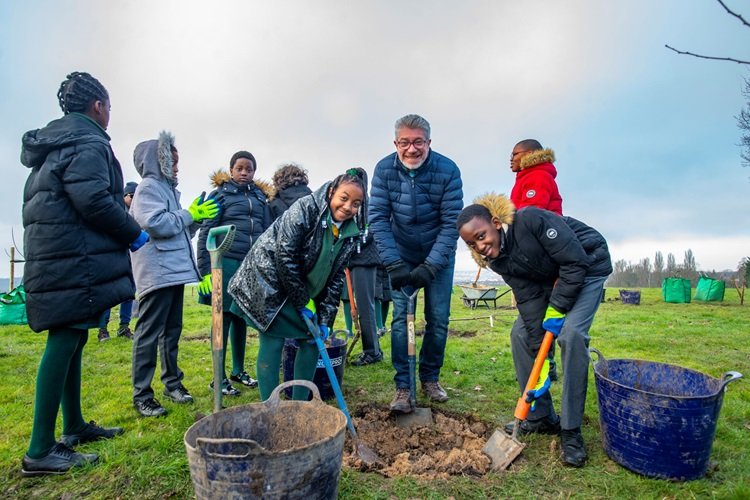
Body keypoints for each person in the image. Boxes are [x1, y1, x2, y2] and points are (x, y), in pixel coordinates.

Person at [20, 71, 147, 476]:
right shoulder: (88, 142)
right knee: (63, 341)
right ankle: (39, 449)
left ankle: (72, 425)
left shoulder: (57, 143)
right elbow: (92, 199)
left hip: (59, 252)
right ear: (98, 106)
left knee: (73, 337)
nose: (110, 113)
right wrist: (133, 232)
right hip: (71, 255)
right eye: (109, 106)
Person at [456, 194, 612, 467]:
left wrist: (558, 307)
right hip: (552, 279)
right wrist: (542, 358)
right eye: (472, 244)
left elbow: (574, 263)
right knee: (520, 335)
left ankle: (571, 430)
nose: (480, 246)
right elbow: (528, 299)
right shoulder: (498, 260)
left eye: (481, 236)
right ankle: (540, 416)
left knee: (571, 334)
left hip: (587, 265)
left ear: (495, 222)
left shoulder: (530, 220)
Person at [228, 168, 368, 401]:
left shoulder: (352, 232)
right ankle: (269, 406)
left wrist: (324, 318)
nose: (347, 207)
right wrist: (303, 302)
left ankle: (300, 405)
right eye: (344, 198)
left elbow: (335, 279)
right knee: (272, 340)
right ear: (332, 192)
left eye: (356, 203)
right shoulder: (305, 209)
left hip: (304, 291)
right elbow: (285, 256)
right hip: (271, 284)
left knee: (312, 342)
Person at [369, 114, 463, 412]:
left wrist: (432, 266)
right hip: (402, 254)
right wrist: (394, 264)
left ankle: (430, 378)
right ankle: (403, 386)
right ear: (395, 143)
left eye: (418, 142)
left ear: (429, 142)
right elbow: (378, 219)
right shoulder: (384, 170)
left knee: (438, 320)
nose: (412, 150)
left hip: (440, 256)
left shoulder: (448, 170)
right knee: (400, 320)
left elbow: (452, 224)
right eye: (405, 143)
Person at [130, 131, 220, 417]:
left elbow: (176, 229)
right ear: (160, 162)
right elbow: (155, 224)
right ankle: (142, 395)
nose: (178, 168)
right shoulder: (148, 188)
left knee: (171, 331)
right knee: (148, 333)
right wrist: (189, 215)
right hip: (157, 273)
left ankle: (172, 383)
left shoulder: (167, 191)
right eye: (174, 162)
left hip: (172, 272)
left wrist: (195, 219)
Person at [196, 151, 273, 396]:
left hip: (250, 265)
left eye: (248, 169)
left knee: (242, 317)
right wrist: (205, 271)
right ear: (231, 170)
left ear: (254, 172)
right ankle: (217, 377)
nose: (244, 172)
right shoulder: (220, 196)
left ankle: (238, 371)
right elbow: (205, 233)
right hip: (225, 262)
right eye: (239, 168)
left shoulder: (261, 198)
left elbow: (266, 229)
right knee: (223, 318)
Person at [97, 181, 139, 341]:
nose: (134, 199)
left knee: (129, 293)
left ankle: (124, 327)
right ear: (124, 196)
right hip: (112, 258)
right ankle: (102, 329)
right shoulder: (115, 211)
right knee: (109, 294)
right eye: (132, 196)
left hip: (130, 258)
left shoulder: (137, 211)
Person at [346, 231, 384, 367]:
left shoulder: (366, 210)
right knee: (364, 305)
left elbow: (370, 230)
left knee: (365, 307)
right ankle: (373, 349)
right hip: (355, 258)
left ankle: (372, 352)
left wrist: (347, 243)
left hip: (364, 258)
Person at [509, 139, 563, 215]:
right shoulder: (526, 177)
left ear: (529, 154)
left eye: (515, 154)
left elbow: (531, 213)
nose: (511, 159)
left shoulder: (538, 176)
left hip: (543, 226)